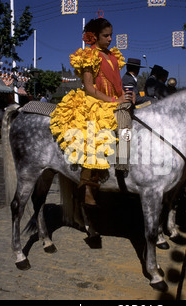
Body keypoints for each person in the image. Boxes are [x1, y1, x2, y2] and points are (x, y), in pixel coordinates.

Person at [50, 17, 134, 206]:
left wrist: (127, 97)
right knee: (94, 134)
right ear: (94, 36)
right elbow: (89, 88)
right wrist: (114, 100)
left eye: (111, 35)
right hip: (95, 100)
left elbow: (117, 84)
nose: (110, 39)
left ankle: (124, 166)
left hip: (114, 100)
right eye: (106, 35)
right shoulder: (88, 56)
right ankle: (87, 183)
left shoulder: (113, 56)